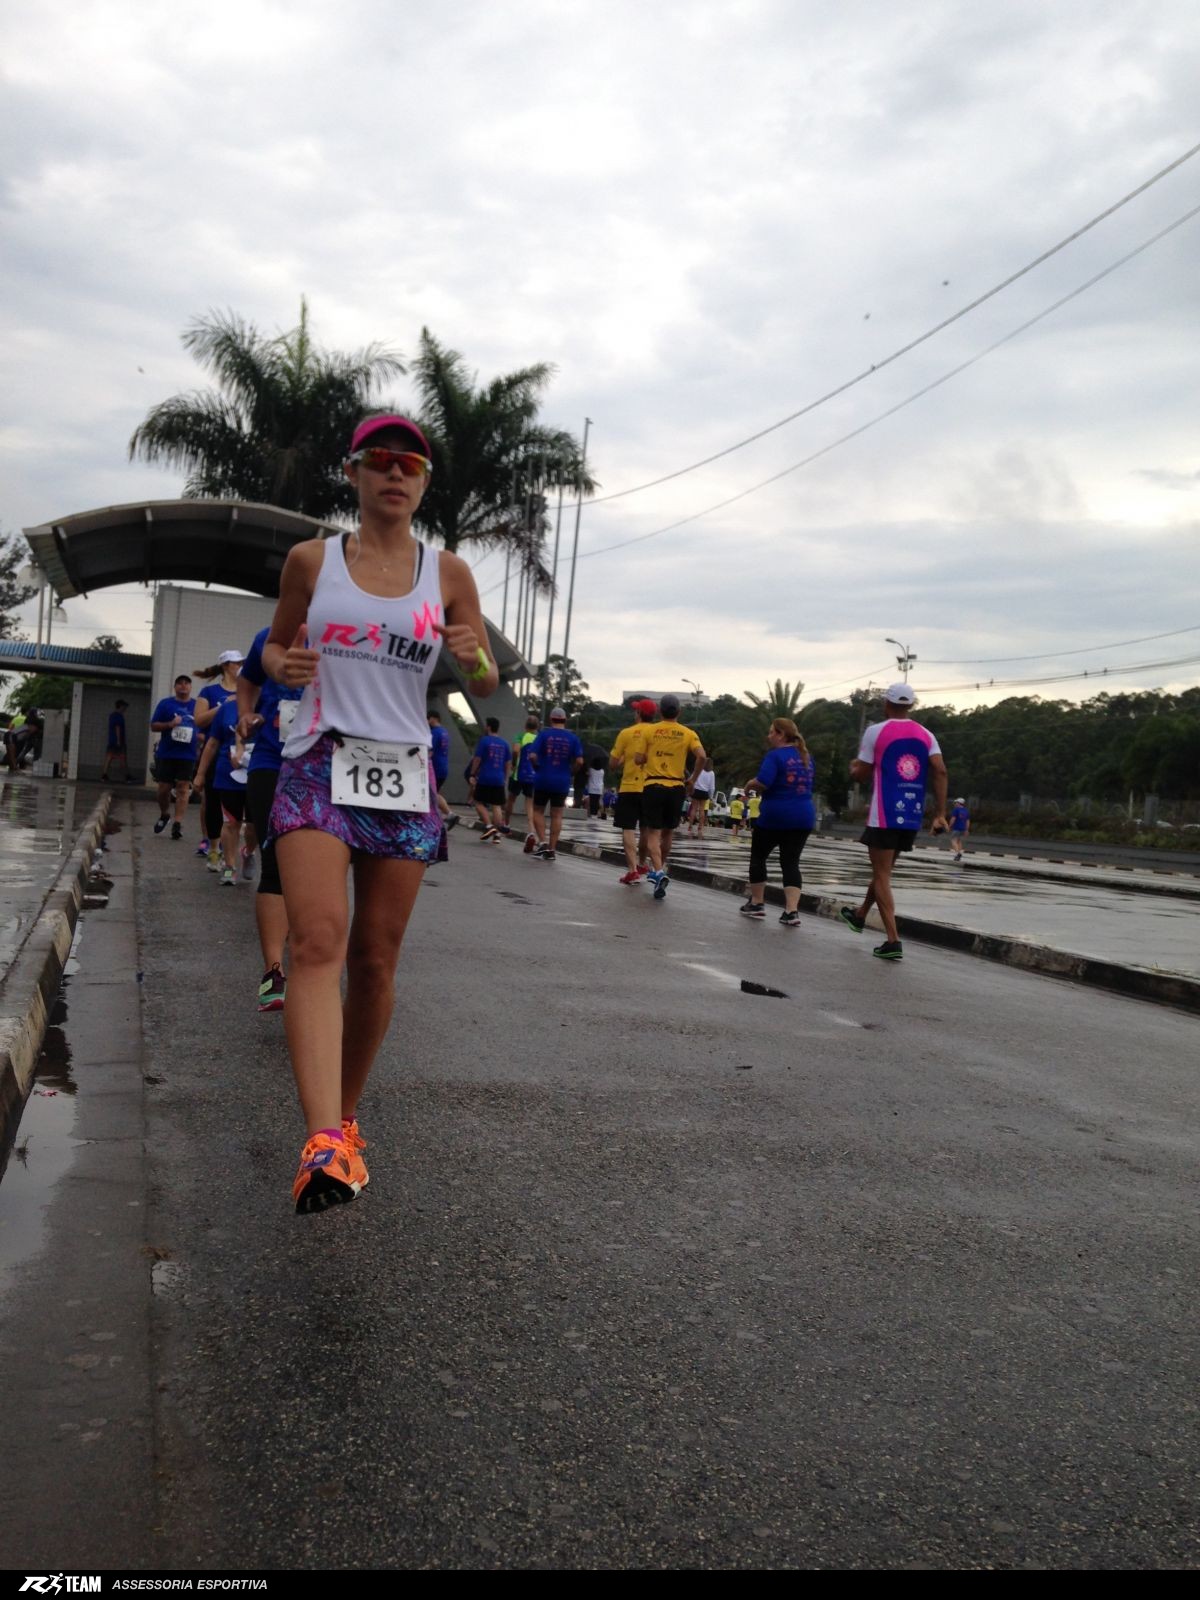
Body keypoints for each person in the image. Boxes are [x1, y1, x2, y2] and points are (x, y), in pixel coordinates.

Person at [263, 414, 497, 1214]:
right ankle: (321, 1141)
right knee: (317, 940)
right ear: (354, 473)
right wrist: (284, 664)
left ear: (423, 484)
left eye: (411, 465)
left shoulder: (449, 573)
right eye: (381, 461)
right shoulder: (313, 561)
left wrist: (474, 658)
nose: (396, 474)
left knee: (374, 960)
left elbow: (485, 679)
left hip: (402, 772)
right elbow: (273, 648)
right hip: (319, 759)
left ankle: (346, 1116)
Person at [840, 682, 948, 961]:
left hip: (884, 813)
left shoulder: (876, 732)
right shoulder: (926, 735)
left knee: (882, 875)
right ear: (911, 705)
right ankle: (860, 914)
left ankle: (892, 940)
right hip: (911, 814)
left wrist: (853, 769)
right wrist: (939, 814)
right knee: (883, 873)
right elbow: (940, 771)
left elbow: (862, 773)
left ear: (886, 704)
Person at [238, 626, 304, 1012]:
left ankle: (310, 962)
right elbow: (247, 680)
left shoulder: (352, 633)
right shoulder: (268, 637)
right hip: (271, 762)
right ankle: (274, 972)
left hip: (326, 769)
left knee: (315, 872)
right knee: (275, 865)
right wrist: (246, 713)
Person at [738, 720, 816, 928]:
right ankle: (791, 911)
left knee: (758, 856)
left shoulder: (775, 756)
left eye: (772, 732)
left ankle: (757, 902)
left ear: (781, 735)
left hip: (776, 816)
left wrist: (748, 785)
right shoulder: (806, 757)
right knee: (790, 863)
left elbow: (763, 782)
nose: (769, 736)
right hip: (804, 816)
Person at [637, 692, 705, 901]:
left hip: (654, 784)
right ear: (679, 712)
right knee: (668, 832)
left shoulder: (650, 731)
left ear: (660, 711)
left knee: (653, 832)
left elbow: (638, 758)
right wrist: (692, 779)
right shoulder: (688, 733)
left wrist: (650, 755)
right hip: (676, 787)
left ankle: (658, 871)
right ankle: (660, 868)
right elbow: (702, 756)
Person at [192, 697, 252, 886]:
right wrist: (200, 774)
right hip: (229, 773)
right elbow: (212, 743)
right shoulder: (227, 708)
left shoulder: (269, 704)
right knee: (231, 822)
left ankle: (249, 851)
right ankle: (229, 867)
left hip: (259, 772)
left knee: (255, 826)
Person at [193, 652, 246, 864]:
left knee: (240, 805)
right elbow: (199, 720)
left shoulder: (250, 692)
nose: (240, 665)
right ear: (225, 665)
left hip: (246, 756)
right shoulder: (210, 691)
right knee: (212, 800)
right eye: (237, 662)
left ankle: (232, 846)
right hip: (217, 752)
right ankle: (212, 844)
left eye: (242, 663)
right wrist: (224, 707)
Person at [526, 706, 583, 861]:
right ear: (565, 720)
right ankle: (552, 849)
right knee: (557, 814)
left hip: (543, 778)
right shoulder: (573, 738)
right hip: (562, 780)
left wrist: (537, 767)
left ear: (551, 719)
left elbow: (532, 756)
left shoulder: (544, 735)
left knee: (538, 811)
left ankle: (543, 842)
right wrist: (571, 772)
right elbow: (579, 761)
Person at [610, 699, 656, 885]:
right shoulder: (657, 733)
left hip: (629, 786)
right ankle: (642, 864)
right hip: (651, 786)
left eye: (635, 710)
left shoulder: (626, 733)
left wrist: (622, 760)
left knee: (628, 828)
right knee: (646, 828)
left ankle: (632, 871)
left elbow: (613, 763)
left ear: (638, 714)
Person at [149, 674, 198, 839]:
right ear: (175, 687)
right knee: (164, 789)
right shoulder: (166, 704)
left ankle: (177, 823)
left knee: (183, 788)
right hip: (167, 752)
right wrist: (170, 724)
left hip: (188, 754)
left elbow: (205, 726)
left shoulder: (197, 705)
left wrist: (201, 738)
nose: (183, 686)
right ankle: (165, 814)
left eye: (187, 683)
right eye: (180, 683)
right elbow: (154, 726)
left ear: (190, 687)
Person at [469, 716, 511, 840]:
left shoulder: (484, 741)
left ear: (488, 727)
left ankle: (489, 826)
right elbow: (508, 763)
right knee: (496, 805)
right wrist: (505, 777)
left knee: (477, 801)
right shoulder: (504, 743)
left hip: (485, 777)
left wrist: (472, 773)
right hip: (499, 778)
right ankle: (497, 834)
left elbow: (477, 759)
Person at [505, 713, 540, 839]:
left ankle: (506, 824)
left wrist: (514, 764)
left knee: (511, 799)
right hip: (532, 775)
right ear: (537, 726)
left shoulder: (521, 736)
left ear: (525, 725)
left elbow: (515, 750)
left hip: (518, 774)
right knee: (529, 803)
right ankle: (531, 830)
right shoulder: (539, 738)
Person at [427, 711, 459, 832]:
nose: (427, 721)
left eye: (428, 718)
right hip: (443, 767)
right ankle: (444, 816)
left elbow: (430, 751)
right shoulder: (445, 732)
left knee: (431, 794)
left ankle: (447, 815)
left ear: (434, 718)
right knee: (433, 793)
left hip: (435, 767)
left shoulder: (434, 733)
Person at [101, 699, 130, 782]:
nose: (125, 709)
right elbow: (117, 728)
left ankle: (104, 775)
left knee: (109, 757)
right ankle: (127, 776)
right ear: (120, 706)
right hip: (118, 741)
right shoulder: (119, 716)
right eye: (124, 707)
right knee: (123, 757)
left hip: (111, 740)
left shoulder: (112, 715)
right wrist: (118, 741)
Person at [686, 757, 716, 838]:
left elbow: (691, 779)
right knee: (702, 810)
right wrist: (711, 796)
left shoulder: (699, 769)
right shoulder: (711, 773)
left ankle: (690, 826)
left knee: (694, 809)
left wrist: (689, 790)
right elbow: (712, 787)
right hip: (704, 792)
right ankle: (700, 827)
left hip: (696, 791)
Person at [949, 796, 970, 862]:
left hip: (956, 828)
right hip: (963, 828)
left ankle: (958, 853)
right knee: (959, 841)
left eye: (956, 802)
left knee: (953, 840)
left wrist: (949, 826)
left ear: (959, 803)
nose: (955, 804)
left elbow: (953, 819)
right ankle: (959, 853)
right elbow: (967, 821)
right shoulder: (966, 811)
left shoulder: (956, 810)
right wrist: (967, 829)